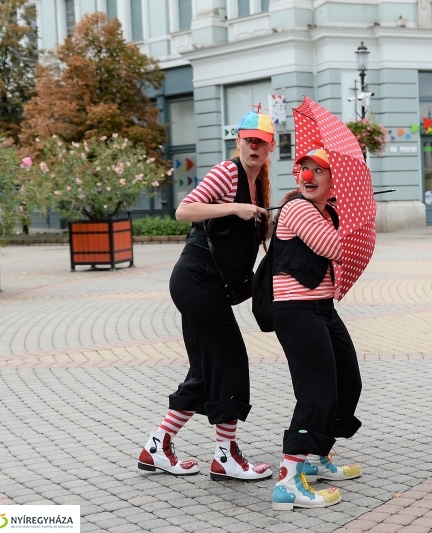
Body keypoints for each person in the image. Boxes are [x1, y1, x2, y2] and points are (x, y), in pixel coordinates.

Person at [136, 109, 274, 481]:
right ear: (239, 142)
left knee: (204, 369)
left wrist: (266, 222)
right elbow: (184, 210)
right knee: (230, 361)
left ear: (271, 147)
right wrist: (236, 207)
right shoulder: (228, 172)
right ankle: (225, 456)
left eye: (262, 142)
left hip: (206, 285)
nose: (255, 147)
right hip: (196, 279)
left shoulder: (259, 183)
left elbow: (245, 245)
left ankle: (156, 447)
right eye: (249, 141)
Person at [269, 148, 363, 511]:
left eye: (318, 171)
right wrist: (349, 217)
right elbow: (334, 248)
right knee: (315, 392)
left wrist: (342, 212)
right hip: (296, 310)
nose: (307, 177)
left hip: (323, 308)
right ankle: (289, 482)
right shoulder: (296, 208)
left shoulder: (327, 211)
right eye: (303, 169)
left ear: (334, 179)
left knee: (347, 381)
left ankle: (315, 456)